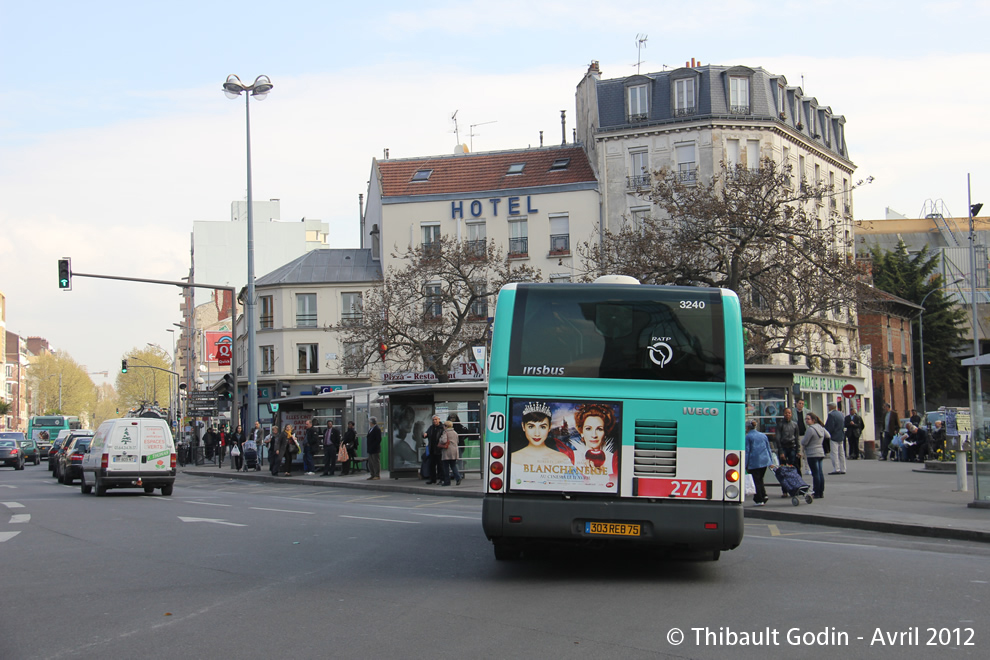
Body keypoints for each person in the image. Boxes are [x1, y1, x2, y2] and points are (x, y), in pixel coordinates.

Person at [511, 402, 573, 468]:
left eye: (542, 427)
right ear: (523, 426)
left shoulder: (562, 459)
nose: (537, 434)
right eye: (531, 427)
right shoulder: (513, 458)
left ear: (549, 427)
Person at [574, 402, 618, 484]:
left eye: (599, 429)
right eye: (588, 429)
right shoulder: (571, 458)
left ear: (605, 432)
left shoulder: (613, 461)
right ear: (581, 432)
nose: (594, 435)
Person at [745, 420, 774, 505]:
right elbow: (768, 448)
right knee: (760, 479)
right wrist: (771, 461)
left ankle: (759, 499)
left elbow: (747, 451)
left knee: (756, 480)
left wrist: (745, 464)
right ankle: (764, 495)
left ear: (747, 427)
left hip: (754, 462)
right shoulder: (763, 435)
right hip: (764, 461)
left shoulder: (748, 437)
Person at [801, 412, 828, 499]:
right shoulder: (821, 427)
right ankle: (821, 492)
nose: (806, 421)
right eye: (806, 419)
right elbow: (828, 435)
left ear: (813, 420)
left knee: (815, 473)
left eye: (808, 419)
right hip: (820, 452)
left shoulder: (810, 429)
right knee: (820, 473)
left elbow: (804, 442)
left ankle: (816, 492)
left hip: (812, 453)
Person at [423, 415, 445, 484]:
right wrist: (425, 434)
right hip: (432, 449)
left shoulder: (442, 428)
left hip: (439, 450)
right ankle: (433, 479)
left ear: (439, 419)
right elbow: (426, 434)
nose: (434, 421)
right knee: (431, 465)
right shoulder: (431, 428)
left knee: (440, 465)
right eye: (433, 420)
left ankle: (442, 479)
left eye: (436, 419)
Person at [825, 402, 846, 475]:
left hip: (834, 436)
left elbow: (830, 426)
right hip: (840, 435)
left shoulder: (831, 415)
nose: (828, 407)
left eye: (828, 406)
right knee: (841, 453)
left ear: (831, 407)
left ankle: (836, 468)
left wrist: (827, 433)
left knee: (834, 453)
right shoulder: (841, 414)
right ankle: (843, 468)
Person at [439, 420, 462, 486]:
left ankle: (447, 481)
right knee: (453, 465)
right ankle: (458, 477)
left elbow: (443, 441)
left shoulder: (445, 432)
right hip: (454, 451)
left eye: (444, 425)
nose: (443, 426)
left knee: (446, 467)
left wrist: (440, 439)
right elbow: (457, 441)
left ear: (446, 426)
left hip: (447, 451)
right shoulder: (455, 433)